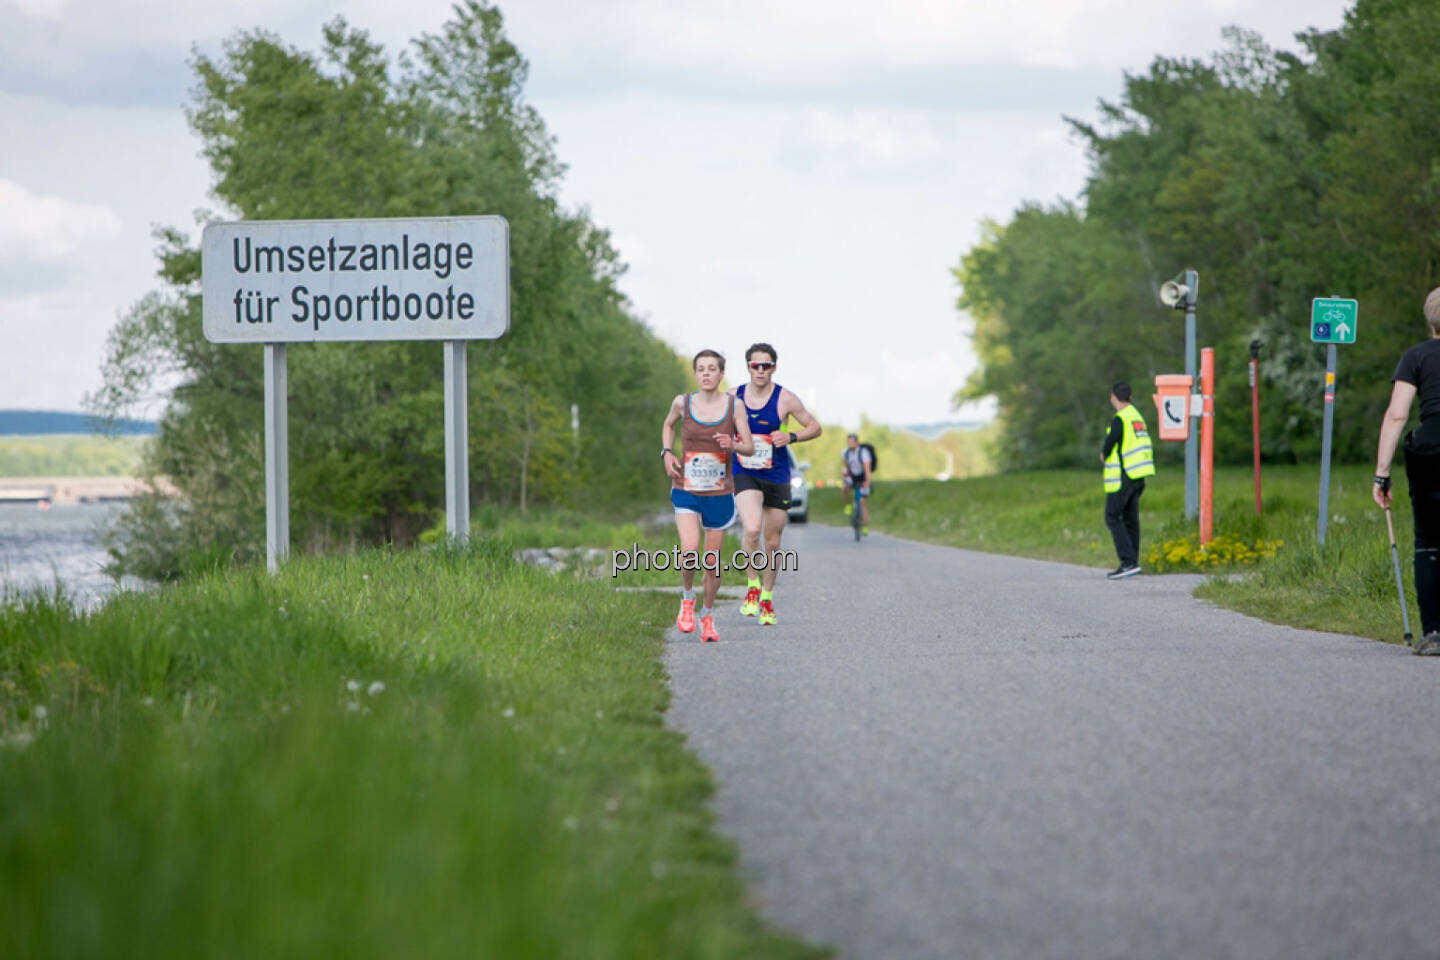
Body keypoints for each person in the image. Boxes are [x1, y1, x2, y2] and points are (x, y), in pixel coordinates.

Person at [662, 349, 754, 642]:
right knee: (689, 550)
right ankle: (687, 599)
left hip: (719, 492)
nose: (705, 373)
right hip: (686, 488)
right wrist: (666, 453)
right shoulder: (682, 402)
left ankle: (708, 615)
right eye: (700, 368)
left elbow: (750, 446)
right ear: (695, 373)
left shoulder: (734, 405)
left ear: (721, 374)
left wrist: (734, 444)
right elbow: (668, 425)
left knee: (711, 561)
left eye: (711, 369)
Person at [731, 343, 822, 626]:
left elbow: (815, 427)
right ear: (747, 366)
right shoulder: (733, 397)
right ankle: (752, 586)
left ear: (774, 367)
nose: (760, 370)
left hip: (777, 474)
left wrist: (791, 437)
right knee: (752, 529)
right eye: (755, 365)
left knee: (772, 541)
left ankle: (767, 598)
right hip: (745, 470)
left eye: (766, 365)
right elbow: (715, 426)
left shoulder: (786, 399)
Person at [1372, 285, 1440, 656]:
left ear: (1430, 321)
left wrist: (1382, 474)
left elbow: (1397, 414)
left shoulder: (1415, 357)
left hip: (1429, 451)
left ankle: (1433, 633)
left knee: (1429, 542)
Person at [1102, 381, 1155, 579]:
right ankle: (1133, 561)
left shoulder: (1121, 418)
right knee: (1131, 519)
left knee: (1112, 516)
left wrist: (1103, 453)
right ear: (1130, 398)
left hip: (1125, 475)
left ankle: (1128, 561)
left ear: (1113, 397)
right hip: (1140, 474)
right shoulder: (1136, 417)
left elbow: (1110, 443)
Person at [840, 434, 873, 534]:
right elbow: (844, 467)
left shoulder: (863, 453)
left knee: (862, 502)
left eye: (852, 442)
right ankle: (848, 506)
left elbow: (867, 468)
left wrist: (868, 481)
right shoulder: (846, 453)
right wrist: (843, 479)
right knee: (844, 488)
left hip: (862, 477)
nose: (850, 444)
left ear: (857, 442)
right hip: (852, 476)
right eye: (848, 442)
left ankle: (864, 526)